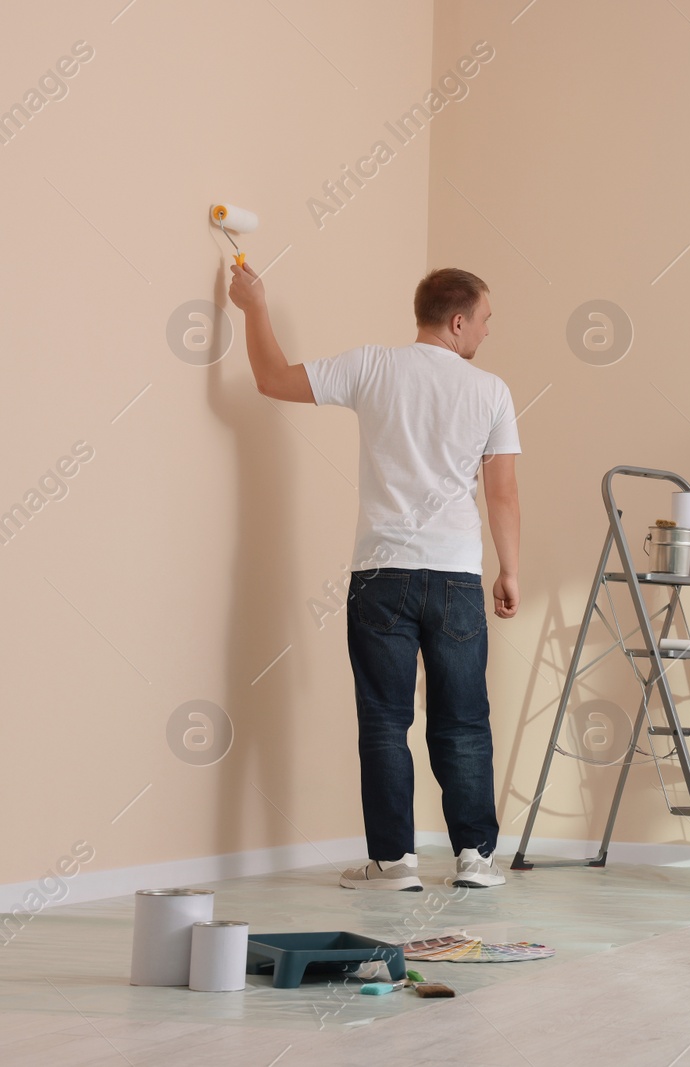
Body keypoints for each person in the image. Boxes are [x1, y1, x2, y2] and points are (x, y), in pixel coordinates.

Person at [228, 263, 522, 891]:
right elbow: (502, 495)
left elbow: (272, 379)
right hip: (456, 579)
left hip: (380, 577)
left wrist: (254, 305)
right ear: (460, 319)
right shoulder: (491, 391)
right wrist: (510, 570)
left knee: (386, 721)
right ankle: (475, 859)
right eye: (486, 320)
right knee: (464, 721)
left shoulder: (371, 367)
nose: (488, 333)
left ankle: (393, 864)